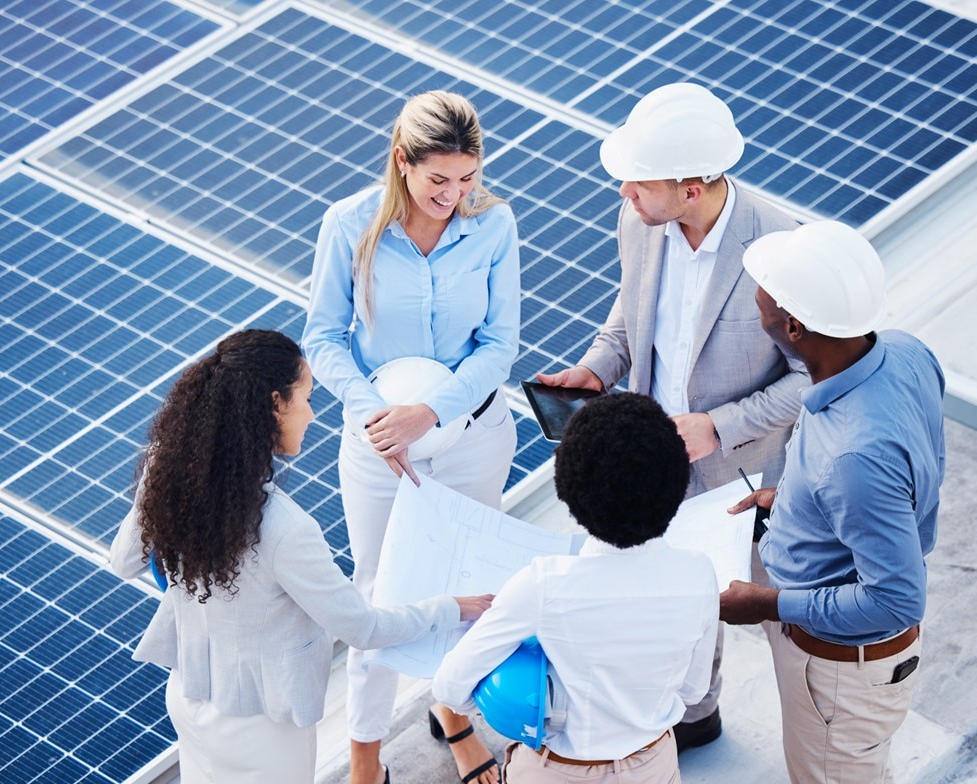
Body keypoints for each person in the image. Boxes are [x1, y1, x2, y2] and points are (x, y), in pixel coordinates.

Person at [535, 81, 807, 749]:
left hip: (739, 476)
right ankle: (693, 715)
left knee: (739, 603)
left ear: (692, 187)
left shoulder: (782, 247)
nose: (623, 194)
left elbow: (814, 378)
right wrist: (598, 367)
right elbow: (632, 318)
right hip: (655, 461)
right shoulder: (640, 221)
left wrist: (718, 427)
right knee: (667, 600)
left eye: (638, 183)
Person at [109, 330, 493, 784]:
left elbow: (124, 562)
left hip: (190, 698)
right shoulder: (284, 530)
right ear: (275, 404)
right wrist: (451, 608)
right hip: (264, 728)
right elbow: (363, 628)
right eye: (306, 397)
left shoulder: (170, 471)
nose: (312, 414)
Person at [301, 90, 519, 784]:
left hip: (473, 437)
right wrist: (379, 415)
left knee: (467, 585)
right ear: (402, 162)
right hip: (377, 451)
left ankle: (450, 712)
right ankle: (365, 758)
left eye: (467, 179)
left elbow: (499, 342)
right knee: (381, 596)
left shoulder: (495, 225)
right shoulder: (349, 224)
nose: (454, 195)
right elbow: (324, 337)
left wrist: (431, 410)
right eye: (437, 181)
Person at [719, 221, 946, 783]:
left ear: (793, 326)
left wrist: (768, 605)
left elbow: (896, 602)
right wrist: (796, 500)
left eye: (765, 292)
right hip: (827, 648)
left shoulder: (852, 460)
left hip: (838, 672)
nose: (757, 297)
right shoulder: (905, 351)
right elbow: (903, 470)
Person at [432, 392, 719, 784]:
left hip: (556, 772)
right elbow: (691, 690)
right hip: (653, 764)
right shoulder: (700, 573)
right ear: (677, 484)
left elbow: (450, 686)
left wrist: (513, 703)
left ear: (569, 494)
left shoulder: (542, 584)